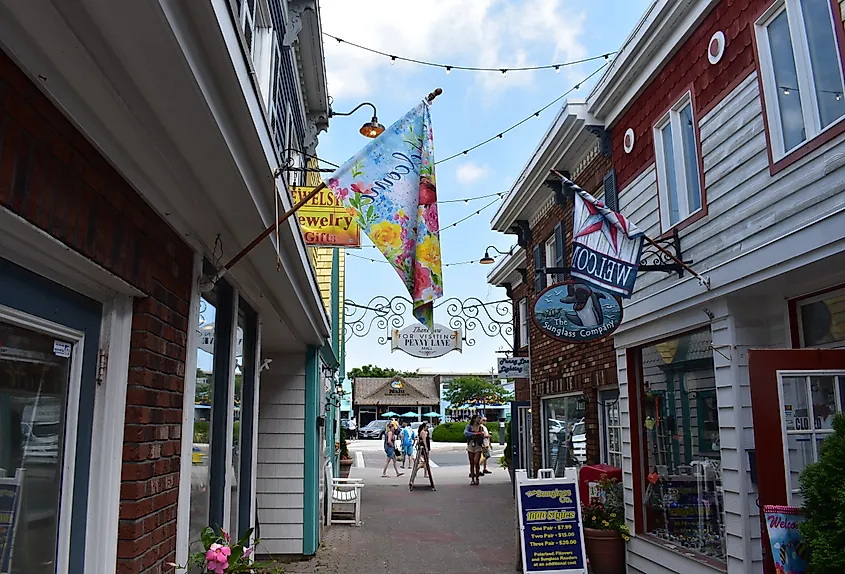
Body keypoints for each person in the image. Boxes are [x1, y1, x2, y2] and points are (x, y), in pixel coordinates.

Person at [464, 414, 485, 485]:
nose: (479, 420)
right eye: (478, 418)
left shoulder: (481, 427)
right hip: (470, 444)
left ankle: (477, 478)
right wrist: (474, 434)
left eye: (479, 419)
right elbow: (466, 433)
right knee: (471, 462)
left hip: (478, 445)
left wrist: (480, 434)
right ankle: (473, 479)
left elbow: (483, 435)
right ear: (474, 419)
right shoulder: (469, 426)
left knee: (476, 461)